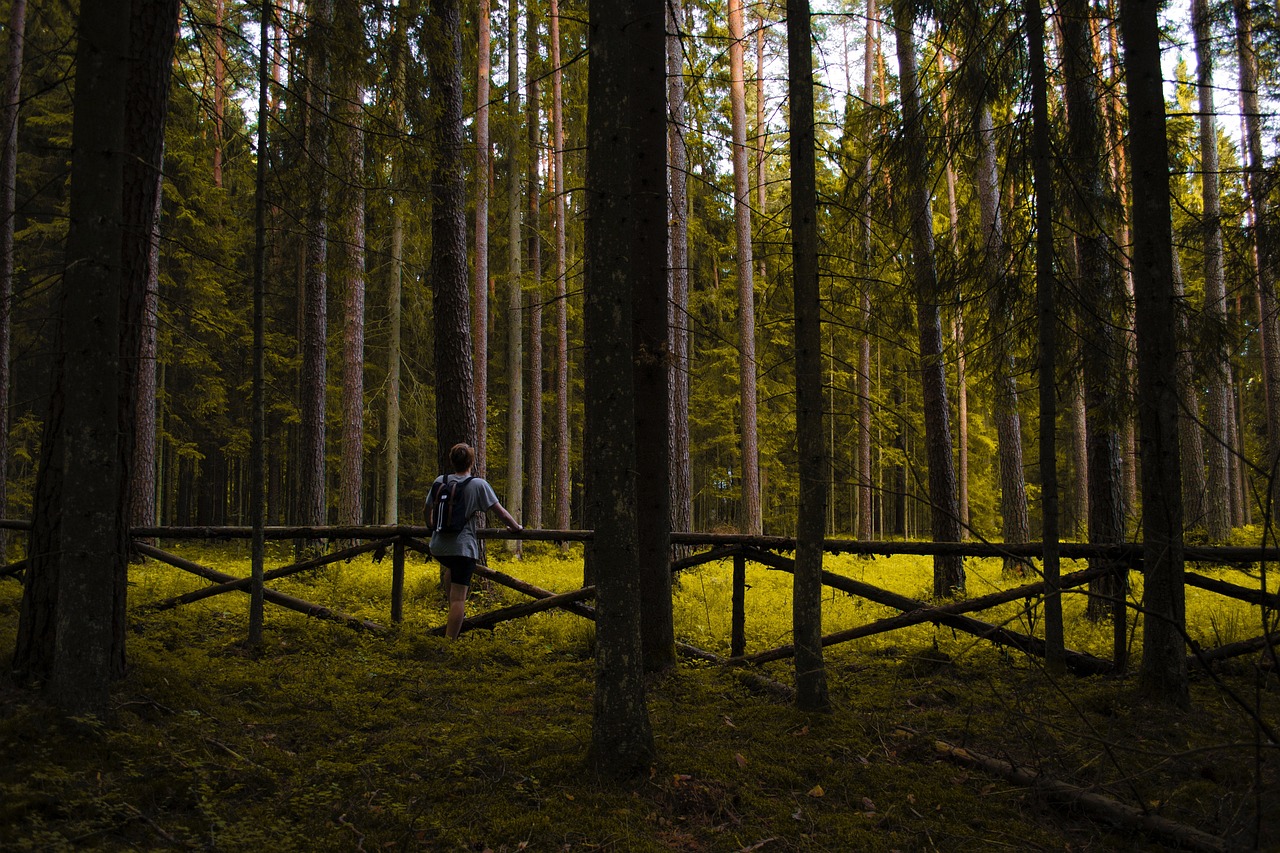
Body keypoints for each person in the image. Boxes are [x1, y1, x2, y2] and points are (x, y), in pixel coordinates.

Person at [429, 442, 522, 639]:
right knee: (458, 600)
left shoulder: (440, 480)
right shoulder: (478, 485)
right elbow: (502, 514)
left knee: (450, 573)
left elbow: (426, 509)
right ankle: (449, 643)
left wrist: (431, 526)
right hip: (462, 549)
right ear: (471, 462)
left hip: (438, 547)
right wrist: (516, 528)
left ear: (452, 461)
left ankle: (454, 619)